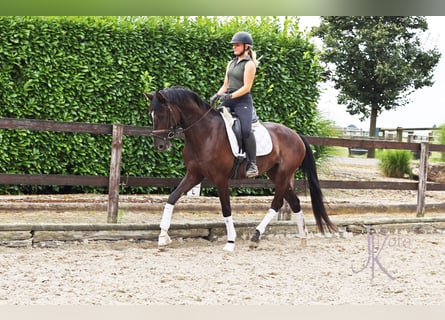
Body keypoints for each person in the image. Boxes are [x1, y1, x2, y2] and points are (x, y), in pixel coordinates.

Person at [210, 31, 260, 178]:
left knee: (245, 130)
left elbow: (246, 87)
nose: (234, 47)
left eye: (237, 45)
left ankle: (252, 163)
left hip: (242, 101)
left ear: (246, 46)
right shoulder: (230, 63)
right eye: (233, 45)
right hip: (228, 98)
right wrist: (217, 95)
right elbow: (225, 84)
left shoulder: (249, 64)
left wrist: (230, 96)